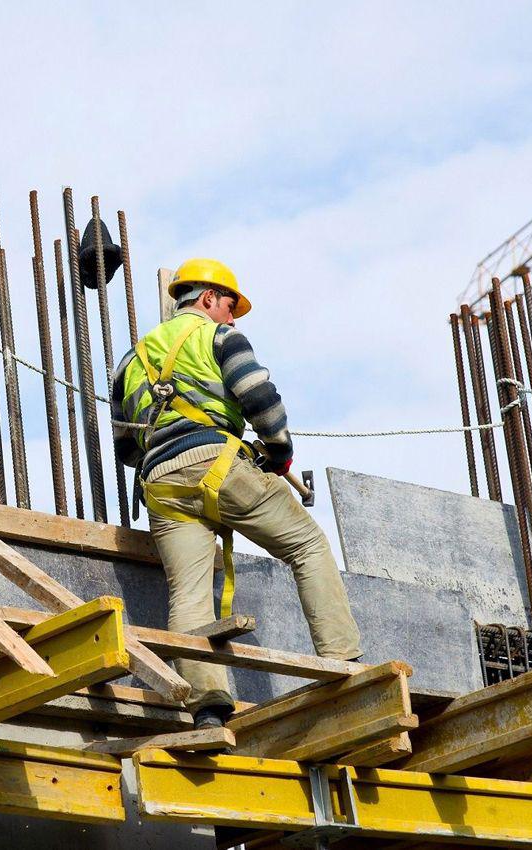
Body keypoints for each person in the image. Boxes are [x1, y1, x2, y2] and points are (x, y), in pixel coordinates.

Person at [111, 258, 362, 728]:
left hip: (161, 484)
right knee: (307, 545)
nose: (232, 316)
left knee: (188, 594)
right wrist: (279, 453)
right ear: (207, 299)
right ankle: (345, 663)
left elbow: (126, 446)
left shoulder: (130, 361)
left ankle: (207, 707)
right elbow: (260, 397)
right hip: (219, 465)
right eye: (229, 306)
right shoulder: (219, 337)